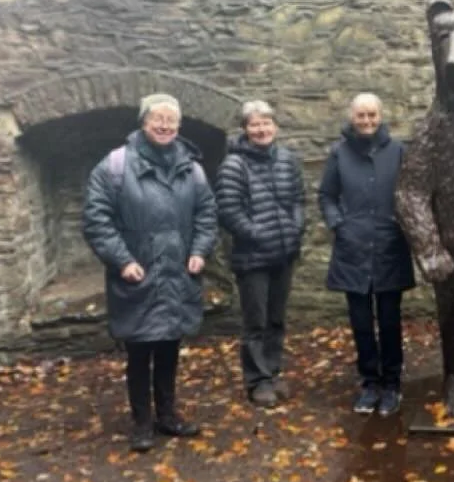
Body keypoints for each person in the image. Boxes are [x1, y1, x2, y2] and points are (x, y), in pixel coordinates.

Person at [82, 93, 219, 452]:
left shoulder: (193, 167)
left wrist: (200, 251)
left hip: (177, 273)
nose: (164, 125)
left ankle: (168, 414)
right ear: (143, 122)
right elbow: (97, 221)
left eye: (171, 120)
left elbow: (206, 214)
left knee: (170, 345)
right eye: (157, 118)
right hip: (137, 274)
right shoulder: (114, 166)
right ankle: (142, 421)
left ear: (179, 126)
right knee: (140, 350)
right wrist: (122, 260)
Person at [318, 92, 415, 415]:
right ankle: (369, 382)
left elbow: (412, 193)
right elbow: (327, 195)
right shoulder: (339, 153)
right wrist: (339, 225)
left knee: (389, 320)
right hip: (352, 248)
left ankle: (391, 383)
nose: (367, 121)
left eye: (372, 115)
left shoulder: (399, 151)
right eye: (361, 115)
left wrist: (405, 228)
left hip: (389, 246)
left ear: (380, 116)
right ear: (352, 117)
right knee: (360, 321)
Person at [215, 100, 306, 409]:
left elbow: (297, 199)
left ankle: (273, 370)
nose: (261, 129)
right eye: (254, 124)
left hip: (284, 254)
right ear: (245, 130)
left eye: (266, 123)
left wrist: (295, 229)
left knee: (276, 319)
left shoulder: (286, 160)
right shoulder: (233, 165)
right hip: (252, 258)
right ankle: (257, 380)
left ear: (275, 127)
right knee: (256, 321)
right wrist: (257, 234)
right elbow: (229, 211)